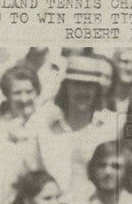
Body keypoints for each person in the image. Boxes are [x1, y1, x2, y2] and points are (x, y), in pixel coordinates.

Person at [36, 54, 118, 194]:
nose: (82, 92)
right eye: (77, 85)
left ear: (97, 90)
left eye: (89, 86)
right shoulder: (44, 126)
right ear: (66, 87)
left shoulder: (111, 127)